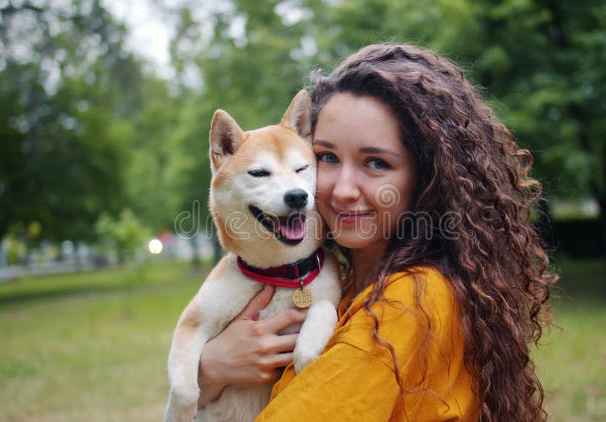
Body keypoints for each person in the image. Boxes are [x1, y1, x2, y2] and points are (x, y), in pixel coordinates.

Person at [196, 44, 556, 421]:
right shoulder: (347, 282)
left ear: (428, 178)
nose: (343, 189)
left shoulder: (406, 303)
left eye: (376, 163)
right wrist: (210, 370)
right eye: (327, 158)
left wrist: (207, 373)